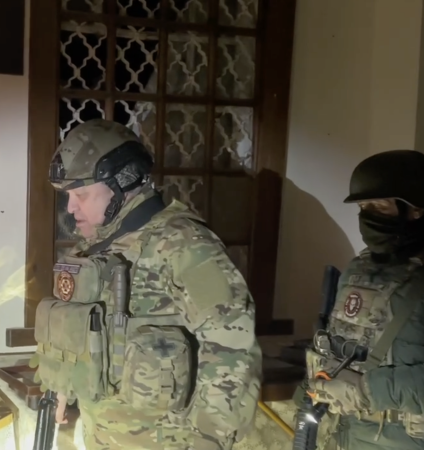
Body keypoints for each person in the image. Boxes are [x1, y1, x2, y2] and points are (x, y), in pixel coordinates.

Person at [29, 119, 262, 449]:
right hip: (103, 435)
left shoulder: (182, 245)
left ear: (123, 181)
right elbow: (77, 331)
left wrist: (209, 439)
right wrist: (62, 384)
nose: (70, 207)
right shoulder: (94, 248)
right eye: (68, 196)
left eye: (81, 194)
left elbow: (233, 348)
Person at [304, 149, 424, 450]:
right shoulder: (356, 270)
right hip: (344, 434)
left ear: (416, 209)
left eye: (380, 206)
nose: (368, 215)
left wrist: (366, 390)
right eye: (363, 206)